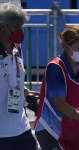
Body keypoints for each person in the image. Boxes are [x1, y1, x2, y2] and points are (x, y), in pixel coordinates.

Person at [0, 3, 37, 150]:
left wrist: (25, 91)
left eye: (21, 26)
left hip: (22, 128)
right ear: (2, 27)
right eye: (16, 26)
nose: (20, 31)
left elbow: (12, 80)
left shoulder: (15, 52)